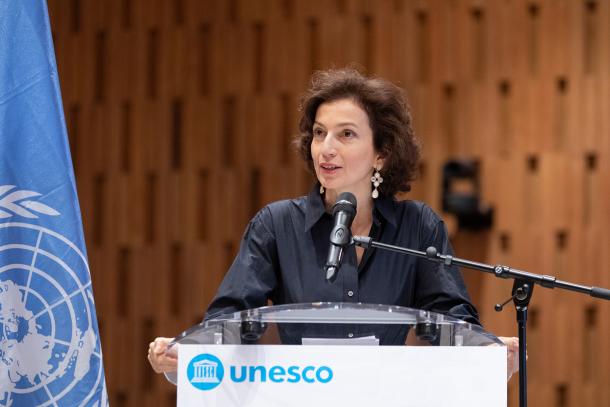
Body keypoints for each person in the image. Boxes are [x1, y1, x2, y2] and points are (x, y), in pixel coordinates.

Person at [148, 68, 519, 378]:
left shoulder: (417, 227)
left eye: (346, 134)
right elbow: (230, 318)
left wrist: (485, 351)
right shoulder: (276, 225)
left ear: (381, 154)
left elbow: (451, 320)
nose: (326, 147)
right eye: (319, 132)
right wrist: (187, 354)